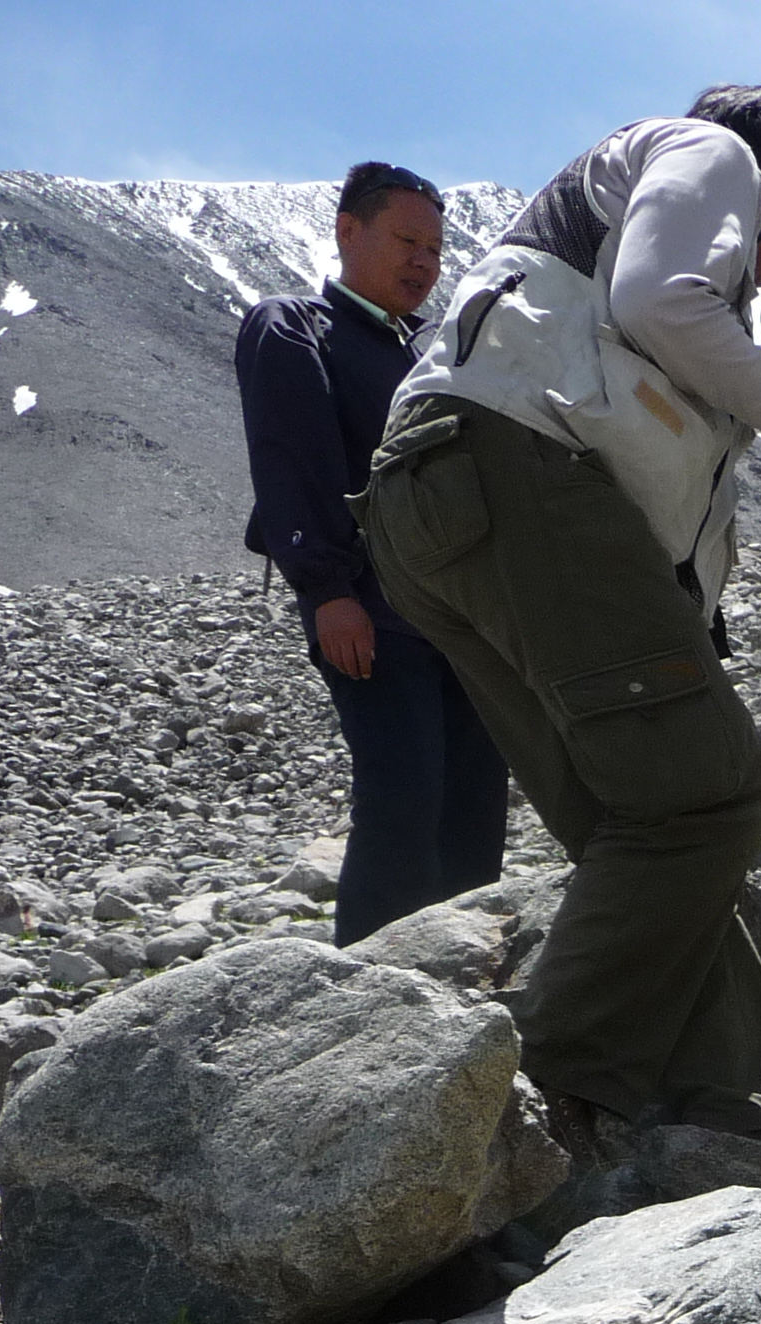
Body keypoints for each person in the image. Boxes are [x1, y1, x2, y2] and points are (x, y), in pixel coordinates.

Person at [364, 85, 761, 1153]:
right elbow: (657, 299)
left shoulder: (597, 207)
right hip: (516, 477)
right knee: (709, 794)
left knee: (632, 818)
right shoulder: (715, 152)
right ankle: (527, 1117)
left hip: (431, 503)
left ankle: (729, 1097)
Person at [237, 161, 511, 946]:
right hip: (374, 612)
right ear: (347, 231)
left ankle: (456, 973)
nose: (424, 262)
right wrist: (326, 591)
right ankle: (371, 988)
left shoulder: (430, 355)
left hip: (463, 619)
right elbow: (292, 461)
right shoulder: (294, 327)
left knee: (472, 797)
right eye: (406, 240)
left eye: (435, 247)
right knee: (402, 794)